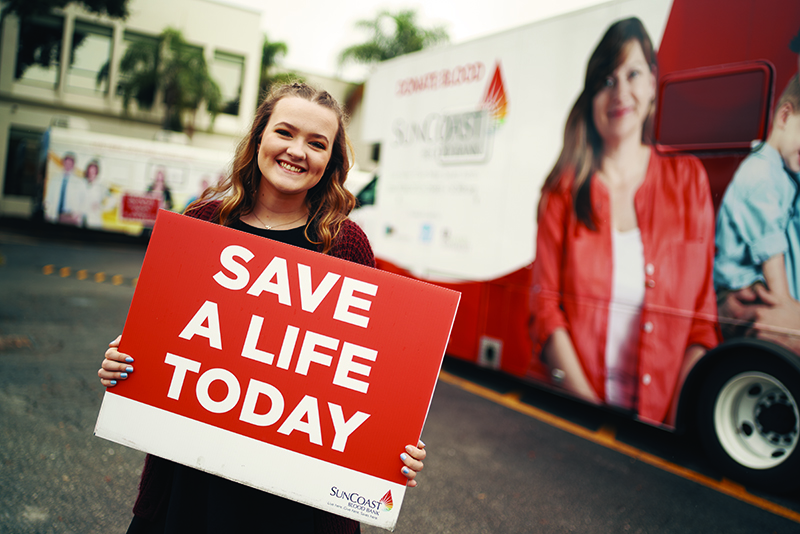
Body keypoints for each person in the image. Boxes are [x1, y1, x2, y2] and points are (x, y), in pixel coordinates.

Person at [98, 82, 426, 534]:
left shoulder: (347, 246)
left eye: (317, 143)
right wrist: (125, 359)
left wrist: (392, 443)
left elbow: (362, 376)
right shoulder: (202, 224)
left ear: (331, 161)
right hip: (191, 489)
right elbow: (169, 333)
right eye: (285, 133)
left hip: (294, 507)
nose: (297, 151)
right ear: (258, 139)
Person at [530, 17, 720, 426]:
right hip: (579, 418)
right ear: (592, 96)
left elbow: (702, 322)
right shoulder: (562, 190)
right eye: (606, 79)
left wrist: (672, 423)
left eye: (632, 73)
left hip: (663, 424)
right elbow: (546, 310)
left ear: (652, 83)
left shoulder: (688, 180)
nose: (620, 91)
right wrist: (590, 413)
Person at [715, 75, 800, 340]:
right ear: (785, 117)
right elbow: (770, 250)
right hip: (748, 290)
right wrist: (786, 304)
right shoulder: (760, 175)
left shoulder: (781, 169)